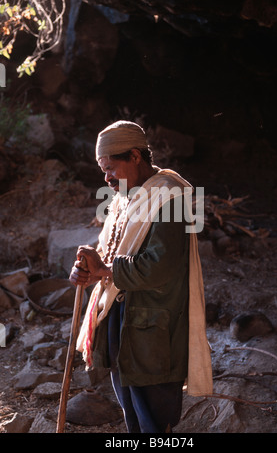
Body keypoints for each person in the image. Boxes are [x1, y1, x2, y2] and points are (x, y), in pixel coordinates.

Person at [69, 120, 213, 433]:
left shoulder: (169, 197)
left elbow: (158, 266)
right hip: (123, 318)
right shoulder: (128, 195)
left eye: (111, 167)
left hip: (155, 326)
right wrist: (89, 269)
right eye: (102, 170)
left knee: (154, 418)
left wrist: (105, 270)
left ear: (135, 156)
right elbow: (111, 251)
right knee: (132, 413)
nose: (106, 178)